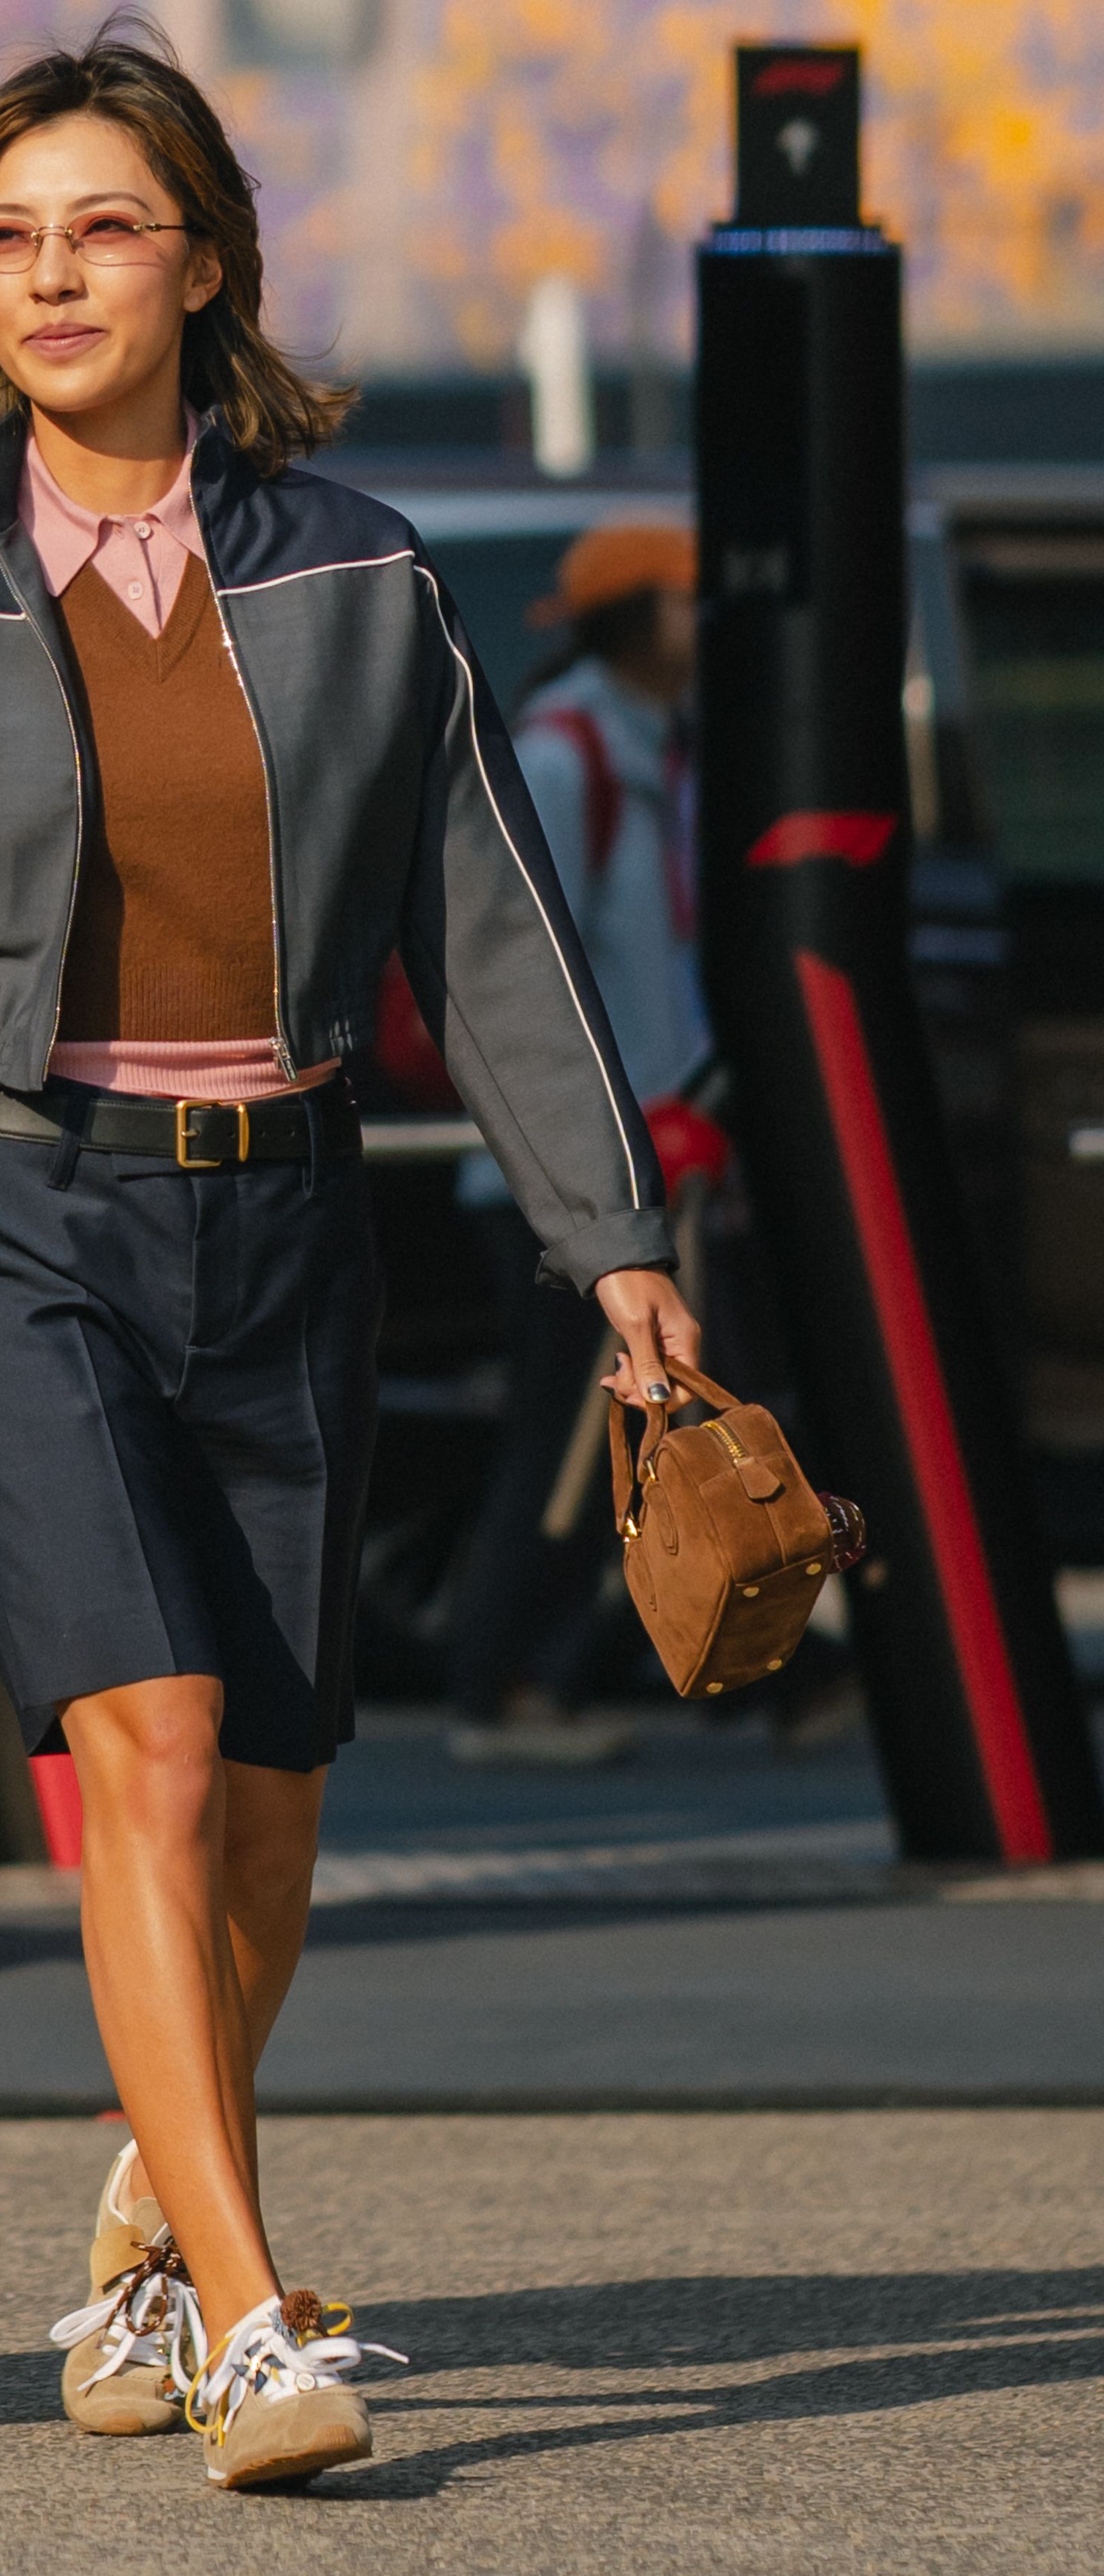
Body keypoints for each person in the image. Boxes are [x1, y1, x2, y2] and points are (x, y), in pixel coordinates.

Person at [0, 26, 695, 2493]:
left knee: (269, 1810)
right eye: (6, 240)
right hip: (14, 1223)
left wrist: (615, 1248)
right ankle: (258, 2330)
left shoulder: (370, 577)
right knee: (145, 1748)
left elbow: (497, 926)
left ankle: (153, 2240)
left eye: (103, 230)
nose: (50, 278)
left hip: (290, 1222)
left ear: (207, 264)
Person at [443, 522, 705, 1767]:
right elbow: (516, 973)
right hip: (561, 1180)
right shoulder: (565, 757)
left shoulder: (655, 754)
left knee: (631, 1428)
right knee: (564, 1436)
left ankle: (556, 1671)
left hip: (648, 1162)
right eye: (689, 600)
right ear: (639, 616)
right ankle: (497, 1687)